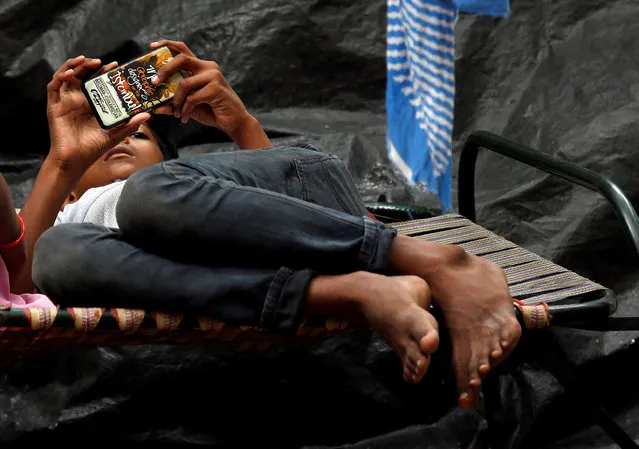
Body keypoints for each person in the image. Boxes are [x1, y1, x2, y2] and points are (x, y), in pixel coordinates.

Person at [12, 40, 521, 409]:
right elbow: (21, 288)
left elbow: (289, 197)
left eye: (142, 135)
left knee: (147, 199)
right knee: (57, 252)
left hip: (306, 199)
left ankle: (433, 259)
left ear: (168, 159)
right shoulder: (61, 213)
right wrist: (61, 163)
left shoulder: (169, 183)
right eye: (110, 137)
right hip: (253, 272)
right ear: (73, 189)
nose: (128, 133)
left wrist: (241, 125)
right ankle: (359, 291)